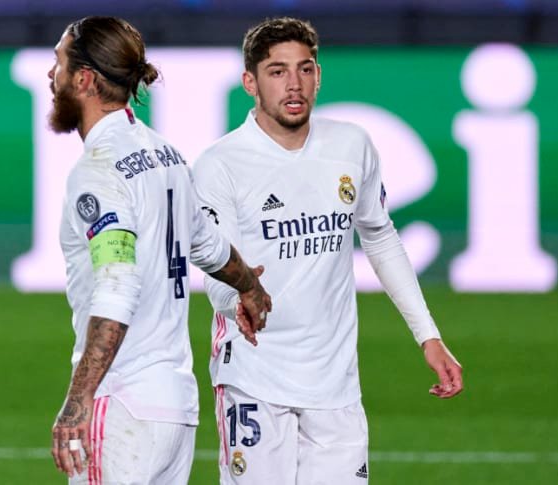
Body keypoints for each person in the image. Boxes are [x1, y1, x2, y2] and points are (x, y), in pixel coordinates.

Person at [193, 17, 463, 484]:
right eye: (277, 71)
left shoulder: (350, 146)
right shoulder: (220, 165)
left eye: (305, 69)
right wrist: (238, 299)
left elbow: (379, 236)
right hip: (255, 377)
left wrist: (428, 335)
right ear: (249, 83)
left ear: (319, 76)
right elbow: (214, 267)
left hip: (335, 384)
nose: (293, 84)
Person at [46, 16, 271, 484]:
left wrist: (78, 400)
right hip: (173, 410)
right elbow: (206, 244)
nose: (52, 76)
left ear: (85, 79)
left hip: (122, 405)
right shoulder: (164, 154)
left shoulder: (98, 171)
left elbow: (117, 283)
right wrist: (250, 287)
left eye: (59, 63)